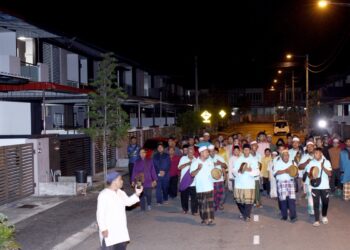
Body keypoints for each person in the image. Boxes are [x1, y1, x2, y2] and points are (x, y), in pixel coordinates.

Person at [96, 172, 143, 250]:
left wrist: (137, 194)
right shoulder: (103, 195)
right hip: (109, 231)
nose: (122, 181)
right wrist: (103, 228)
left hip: (120, 229)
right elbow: (100, 214)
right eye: (120, 179)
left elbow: (128, 202)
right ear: (114, 181)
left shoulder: (120, 192)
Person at [233, 144, 260, 222]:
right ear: (242, 151)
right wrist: (238, 171)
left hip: (249, 184)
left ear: (250, 150)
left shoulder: (254, 160)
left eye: (248, 150)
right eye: (245, 150)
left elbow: (257, 172)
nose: (246, 152)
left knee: (249, 201)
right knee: (239, 201)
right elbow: (234, 170)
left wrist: (249, 170)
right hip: (239, 184)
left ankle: (247, 215)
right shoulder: (238, 160)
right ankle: (243, 213)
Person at [307, 148, 332, 227]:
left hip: (324, 186)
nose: (316, 154)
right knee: (316, 203)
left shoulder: (326, 162)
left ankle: (324, 216)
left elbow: (330, 174)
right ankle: (317, 220)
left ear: (321, 154)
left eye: (317, 153)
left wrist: (323, 167)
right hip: (315, 186)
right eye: (315, 153)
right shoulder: (311, 162)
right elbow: (308, 174)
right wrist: (312, 177)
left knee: (325, 202)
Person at [190, 145, 215, 225]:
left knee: (210, 204)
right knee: (202, 204)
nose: (208, 153)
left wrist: (216, 175)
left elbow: (213, 173)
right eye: (207, 152)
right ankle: (204, 219)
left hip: (209, 186)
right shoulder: (195, 162)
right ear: (201, 153)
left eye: (208, 152)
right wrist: (198, 169)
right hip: (200, 187)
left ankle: (210, 219)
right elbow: (192, 174)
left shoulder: (210, 162)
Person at [273, 150, 297, 222]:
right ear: (281, 156)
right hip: (281, 183)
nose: (286, 157)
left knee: (292, 200)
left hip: (290, 182)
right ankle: (284, 216)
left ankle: (293, 216)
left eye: (287, 155)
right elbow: (275, 173)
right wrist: (285, 171)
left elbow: (296, 172)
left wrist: (295, 174)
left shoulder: (292, 163)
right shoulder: (277, 163)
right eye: (285, 155)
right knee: (283, 200)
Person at [178, 146, 198, 214]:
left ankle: (194, 211)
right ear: (187, 152)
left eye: (192, 152)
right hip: (184, 181)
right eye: (189, 152)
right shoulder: (183, 158)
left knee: (194, 197)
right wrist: (187, 164)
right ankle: (185, 209)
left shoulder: (196, 160)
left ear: (194, 152)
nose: (190, 153)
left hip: (193, 182)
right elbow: (179, 167)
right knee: (184, 196)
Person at [209, 145, 227, 211]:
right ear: (208, 152)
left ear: (215, 151)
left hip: (220, 179)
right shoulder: (207, 159)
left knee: (221, 193)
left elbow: (225, 166)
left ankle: (220, 204)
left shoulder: (219, 157)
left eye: (213, 151)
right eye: (210, 151)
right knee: (213, 193)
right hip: (210, 179)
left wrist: (220, 163)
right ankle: (214, 205)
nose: (212, 152)